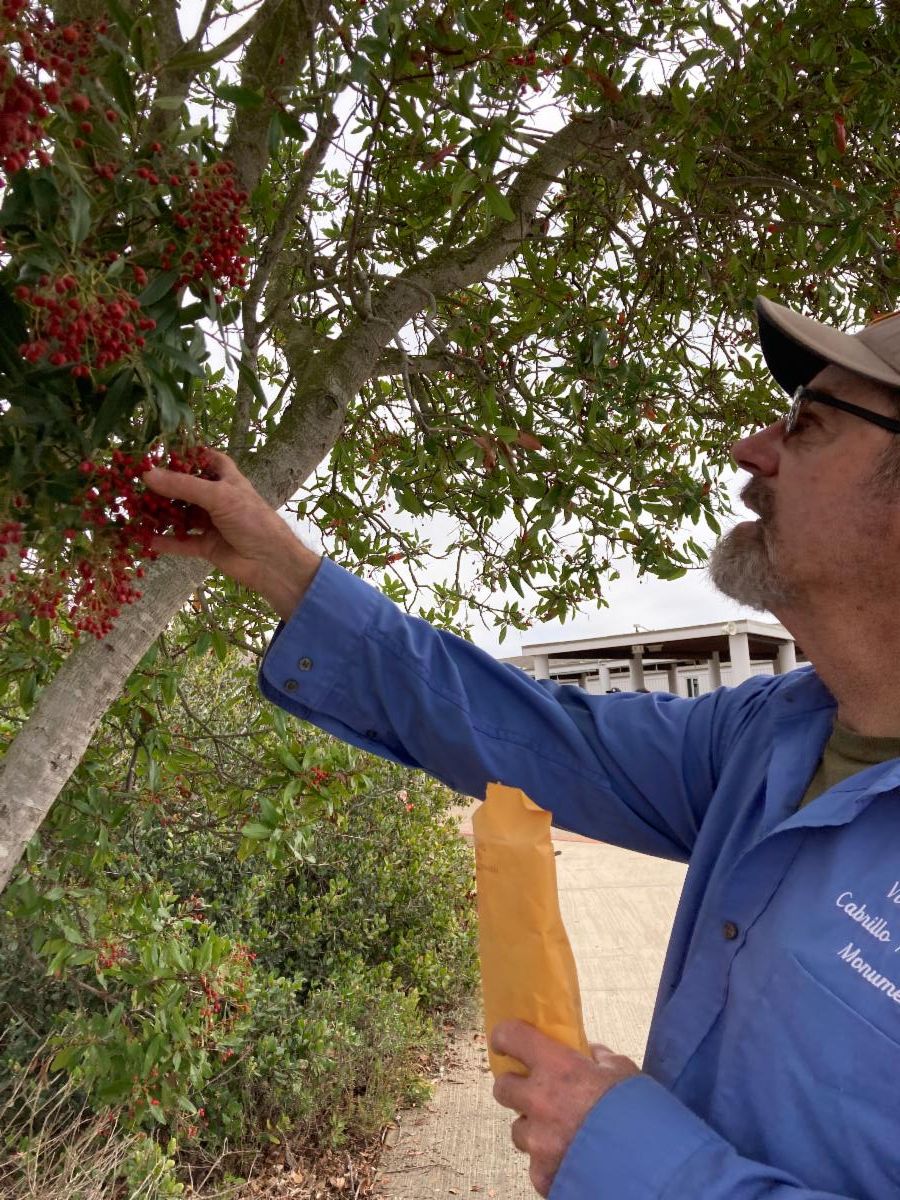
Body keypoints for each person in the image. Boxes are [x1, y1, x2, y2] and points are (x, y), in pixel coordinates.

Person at [144, 296, 900, 1200]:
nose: (751, 452)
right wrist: (281, 566)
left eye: (809, 424)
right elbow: (528, 733)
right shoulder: (769, 734)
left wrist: (624, 1150)